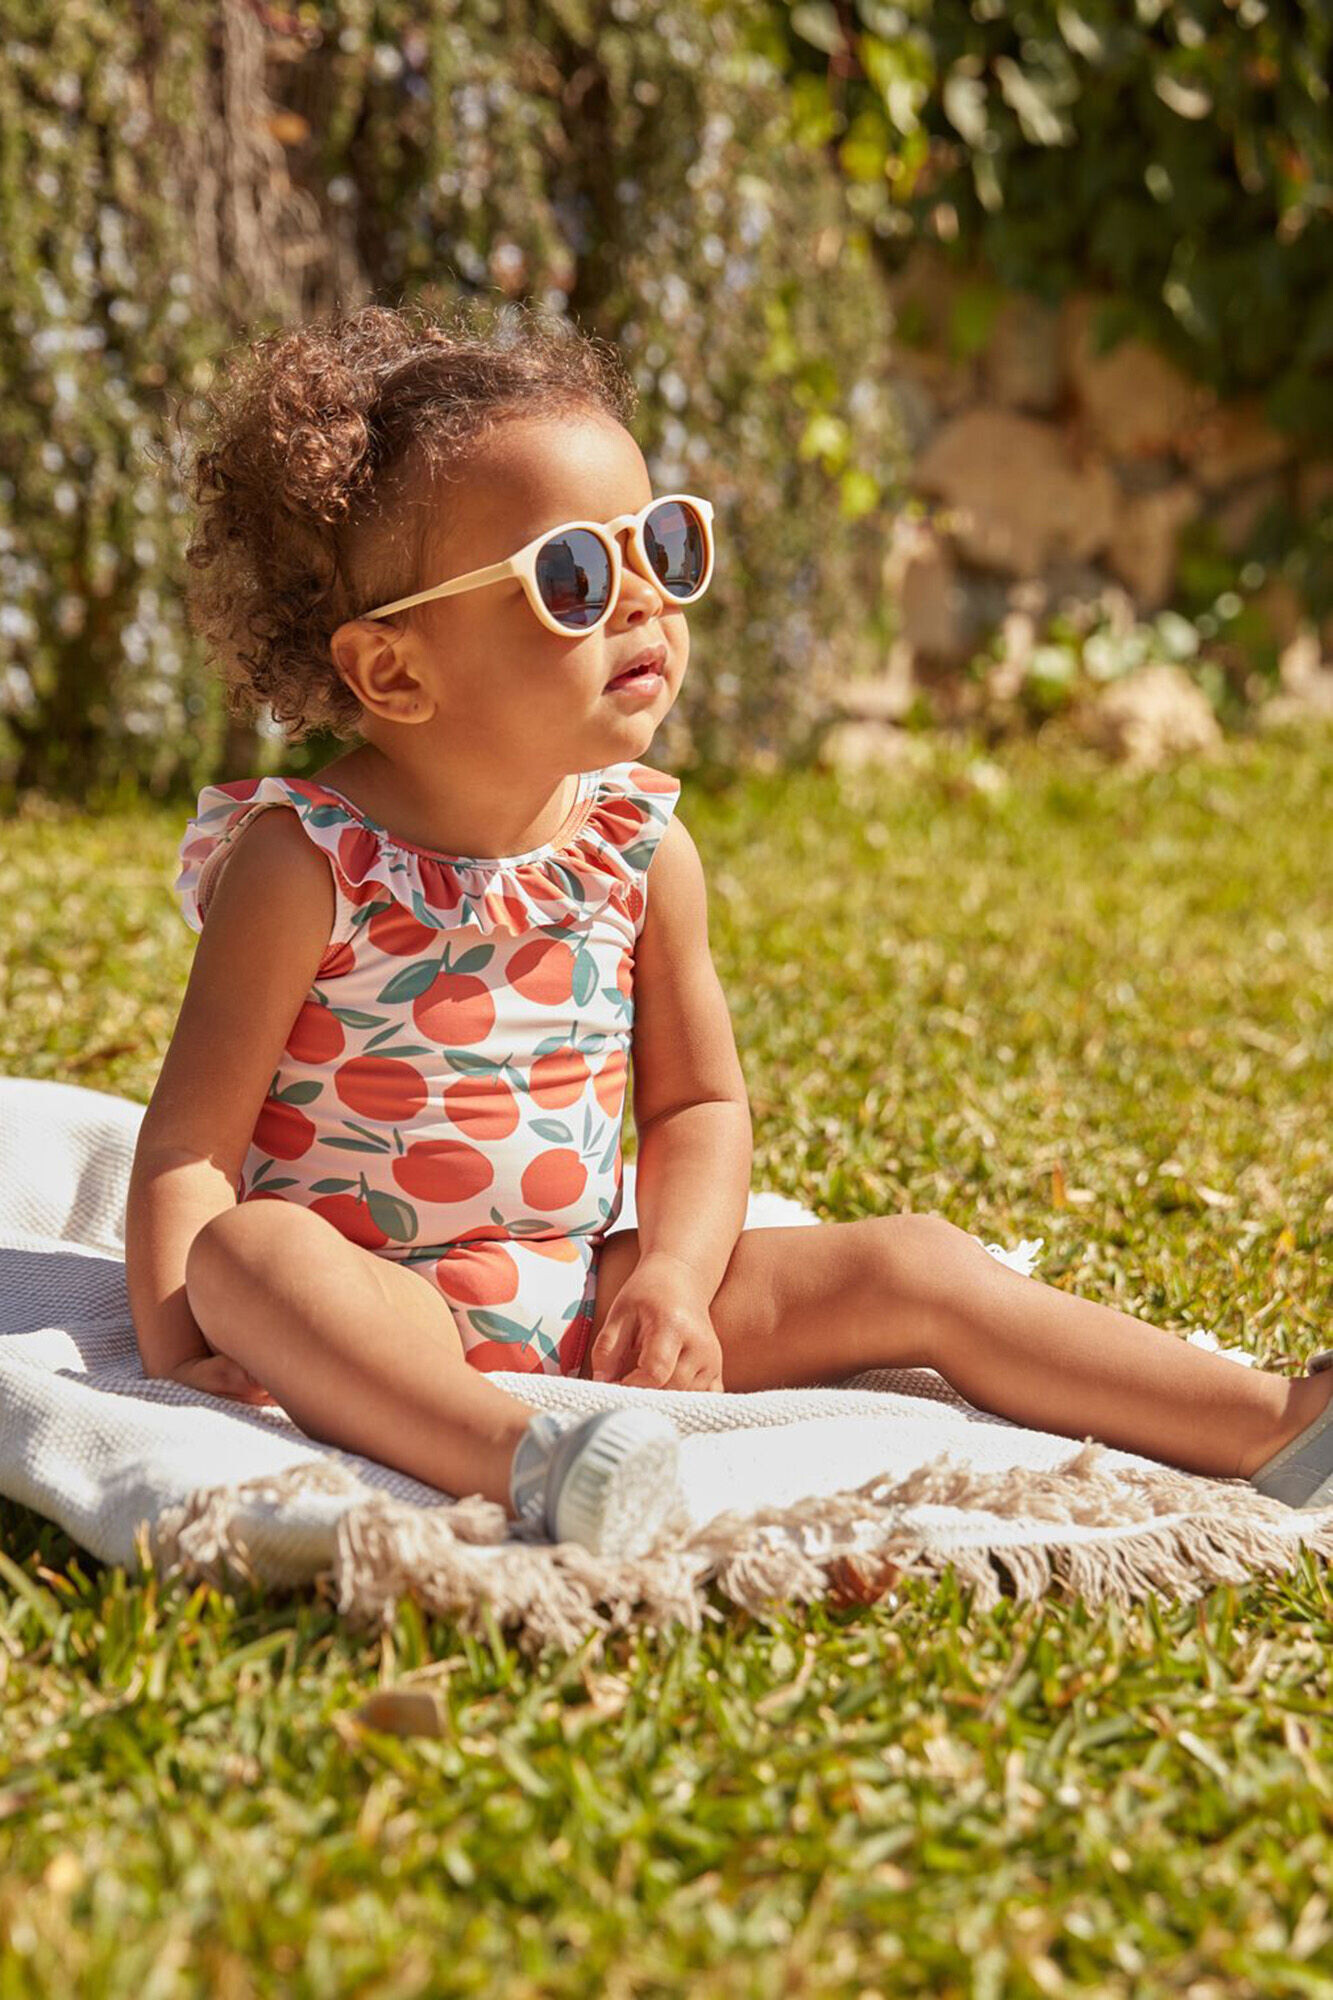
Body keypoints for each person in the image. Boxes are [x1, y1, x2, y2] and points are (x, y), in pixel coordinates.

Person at [125, 301, 1333, 1560]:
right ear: (393, 672)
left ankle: (1274, 1425)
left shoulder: (637, 848)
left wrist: (671, 1280)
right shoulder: (305, 862)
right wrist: (183, 1350)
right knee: (252, 1251)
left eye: (662, 545)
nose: (643, 601)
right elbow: (191, 1151)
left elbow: (697, 1108)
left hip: (592, 1288)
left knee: (911, 1259)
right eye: (576, 577)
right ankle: (527, 1462)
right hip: (376, 1302)